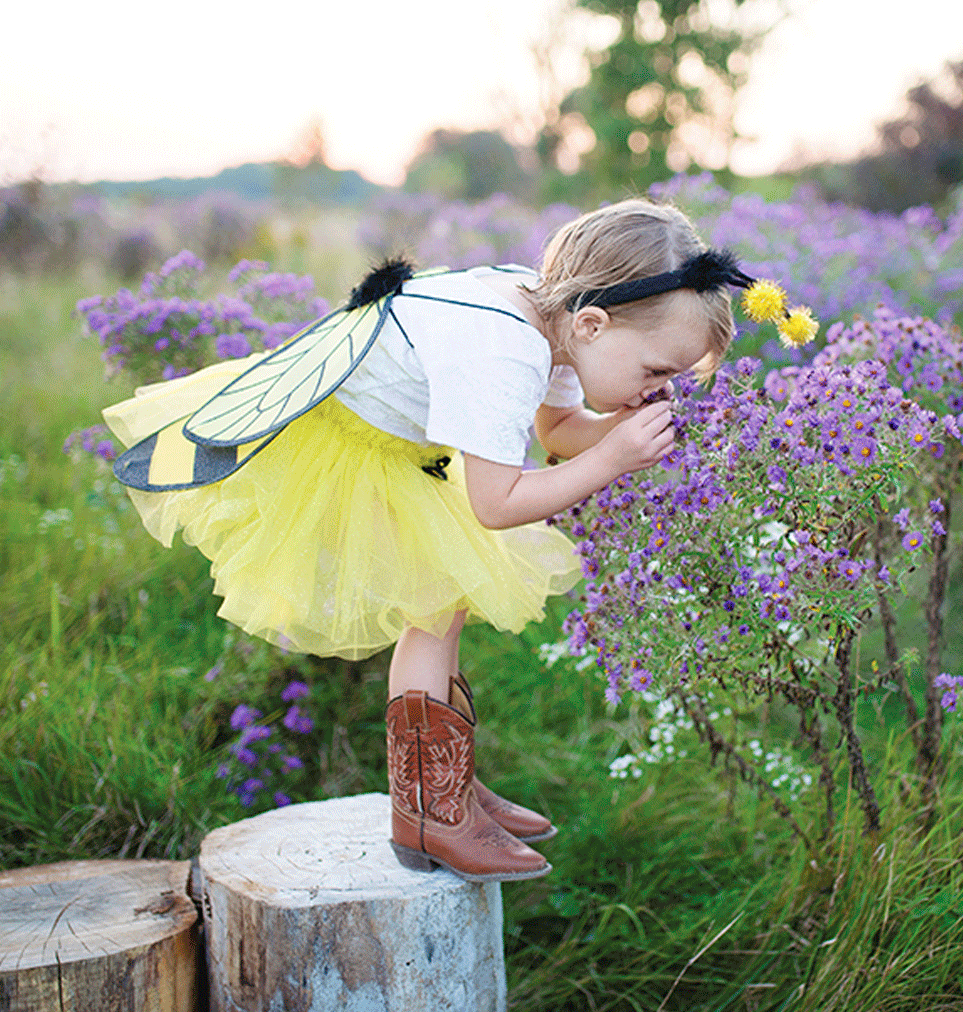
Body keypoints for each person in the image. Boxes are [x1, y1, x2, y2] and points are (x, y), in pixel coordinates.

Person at [103, 198, 777, 885]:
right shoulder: (506, 348)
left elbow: (554, 431)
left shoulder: (555, 312)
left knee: (444, 605)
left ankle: (446, 787)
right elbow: (496, 504)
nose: (659, 389)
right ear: (593, 324)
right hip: (353, 449)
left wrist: (617, 432)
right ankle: (428, 812)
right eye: (656, 372)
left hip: (401, 446)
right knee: (431, 612)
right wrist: (611, 458)